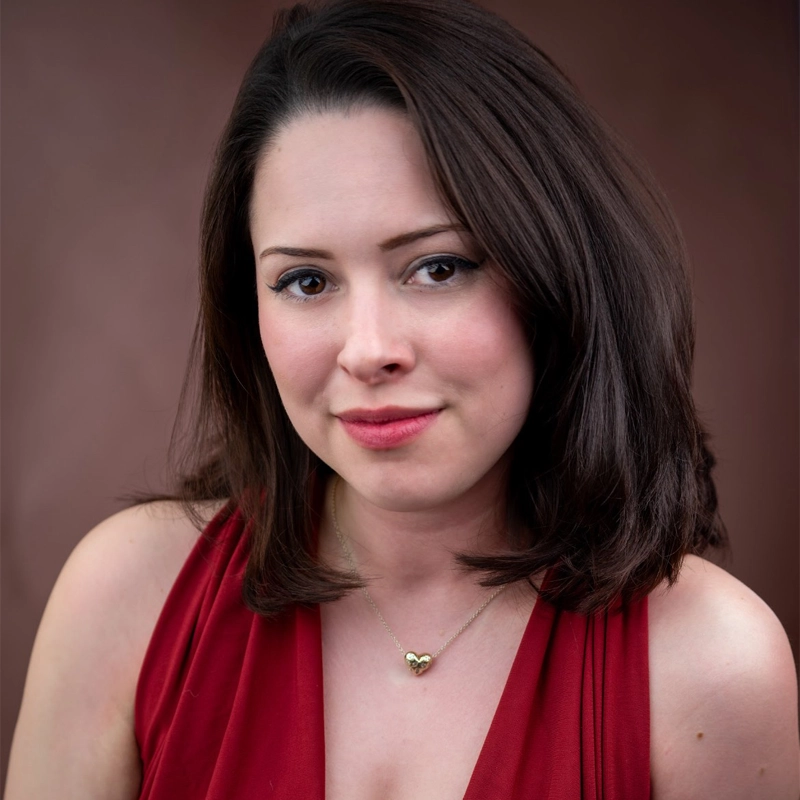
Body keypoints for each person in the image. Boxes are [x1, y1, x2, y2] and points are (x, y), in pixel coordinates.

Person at [6, 0, 799, 797]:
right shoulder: (125, 598)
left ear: (556, 275)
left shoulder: (711, 666)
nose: (368, 349)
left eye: (437, 268)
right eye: (306, 281)